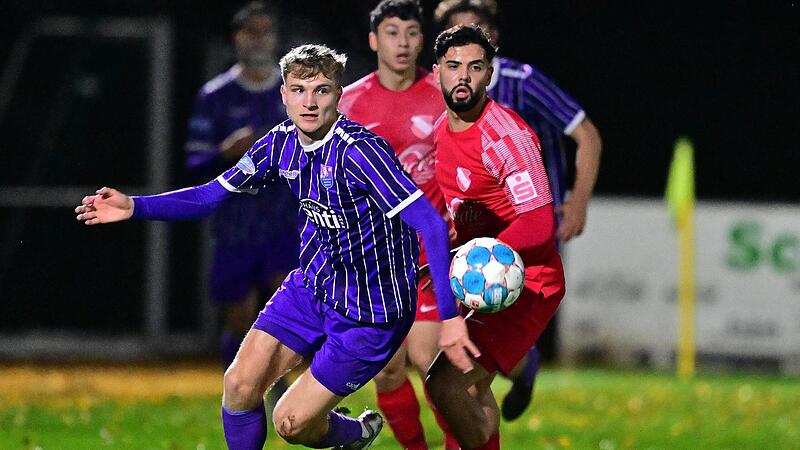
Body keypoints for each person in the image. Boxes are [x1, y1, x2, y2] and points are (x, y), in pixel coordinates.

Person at [75, 43, 459, 450]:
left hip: (372, 312)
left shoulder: (362, 152)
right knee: (239, 385)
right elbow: (209, 196)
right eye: (298, 90)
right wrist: (134, 206)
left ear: (339, 94)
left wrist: (449, 317)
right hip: (312, 288)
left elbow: (431, 227)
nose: (309, 103)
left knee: (290, 424)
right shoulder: (279, 145)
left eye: (321, 90)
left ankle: (354, 433)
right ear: (283, 94)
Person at [434, 0, 603, 421]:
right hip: (477, 247)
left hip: (523, 237)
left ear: (490, 51)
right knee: (450, 366)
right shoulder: (445, 111)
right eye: (454, 54)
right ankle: (525, 368)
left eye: (475, 57)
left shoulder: (522, 85)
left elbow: (587, 135)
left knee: (462, 377)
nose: (464, 71)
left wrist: (577, 202)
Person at [424, 25, 566, 450]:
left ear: (489, 75)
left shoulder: (506, 136)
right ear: (436, 74)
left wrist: (472, 258)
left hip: (529, 280)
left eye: (475, 67)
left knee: (446, 383)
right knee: (467, 391)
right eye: (453, 66)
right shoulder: (439, 131)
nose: (463, 76)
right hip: (480, 274)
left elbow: (540, 223)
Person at [337, 1, 458, 449]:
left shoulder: (442, 94)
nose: (403, 42)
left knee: (429, 360)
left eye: (411, 32)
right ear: (373, 41)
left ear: (422, 39)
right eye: (392, 32)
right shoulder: (349, 102)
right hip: (374, 259)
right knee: (387, 370)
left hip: (431, 253)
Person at [184, 1, 299, 373]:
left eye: (266, 31)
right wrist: (226, 150)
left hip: (287, 218)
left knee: (289, 305)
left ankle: (282, 386)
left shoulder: (294, 93)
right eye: (251, 31)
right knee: (240, 314)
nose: (259, 40)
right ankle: (238, 389)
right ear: (237, 39)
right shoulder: (215, 96)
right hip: (236, 223)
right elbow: (193, 161)